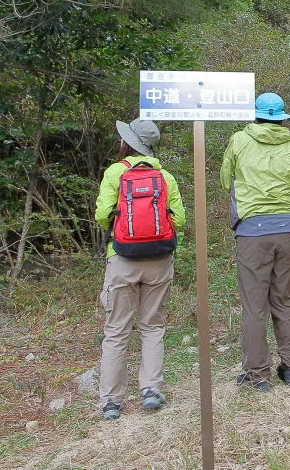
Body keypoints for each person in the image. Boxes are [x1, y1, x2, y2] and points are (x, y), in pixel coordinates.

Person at [220, 92, 290, 391]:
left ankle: (258, 376)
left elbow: (226, 180)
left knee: (254, 306)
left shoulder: (239, 140)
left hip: (252, 231)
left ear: (256, 115)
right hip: (288, 231)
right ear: (282, 117)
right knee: (284, 298)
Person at [95, 118, 186, 421]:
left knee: (116, 331)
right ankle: (150, 390)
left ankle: (111, 402)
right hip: (159, 260)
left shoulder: (115, 172)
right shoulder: (165, 176)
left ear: (128, 143)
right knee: (153, 326)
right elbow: (181, 220)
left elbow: (101, 215)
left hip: (122, 259)